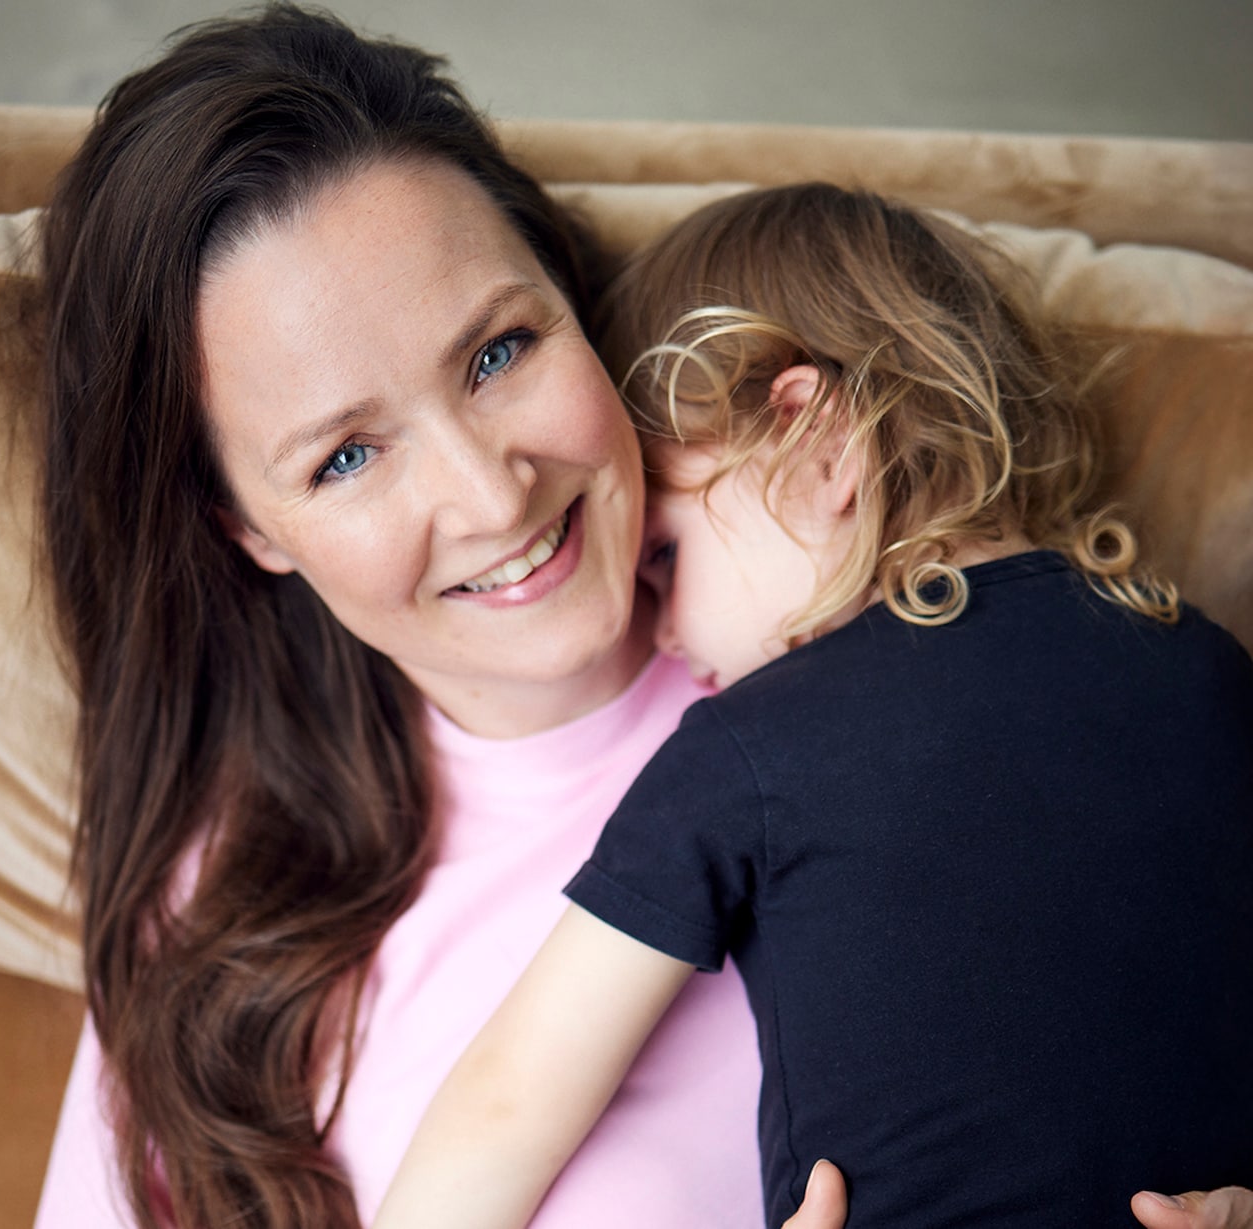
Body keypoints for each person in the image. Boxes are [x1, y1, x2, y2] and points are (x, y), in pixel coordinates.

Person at [28, 6, 1253, 1226]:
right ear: (244, 526)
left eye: (499, 351)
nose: (486, 489)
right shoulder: (214, 924)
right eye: (344, 456)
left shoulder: (851, 669)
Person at [372, 184, 1253, 1228]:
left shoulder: (750, 742)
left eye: (666, 552)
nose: (657, 629)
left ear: (810, 439)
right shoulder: (1203, 665)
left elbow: (510, 1099)